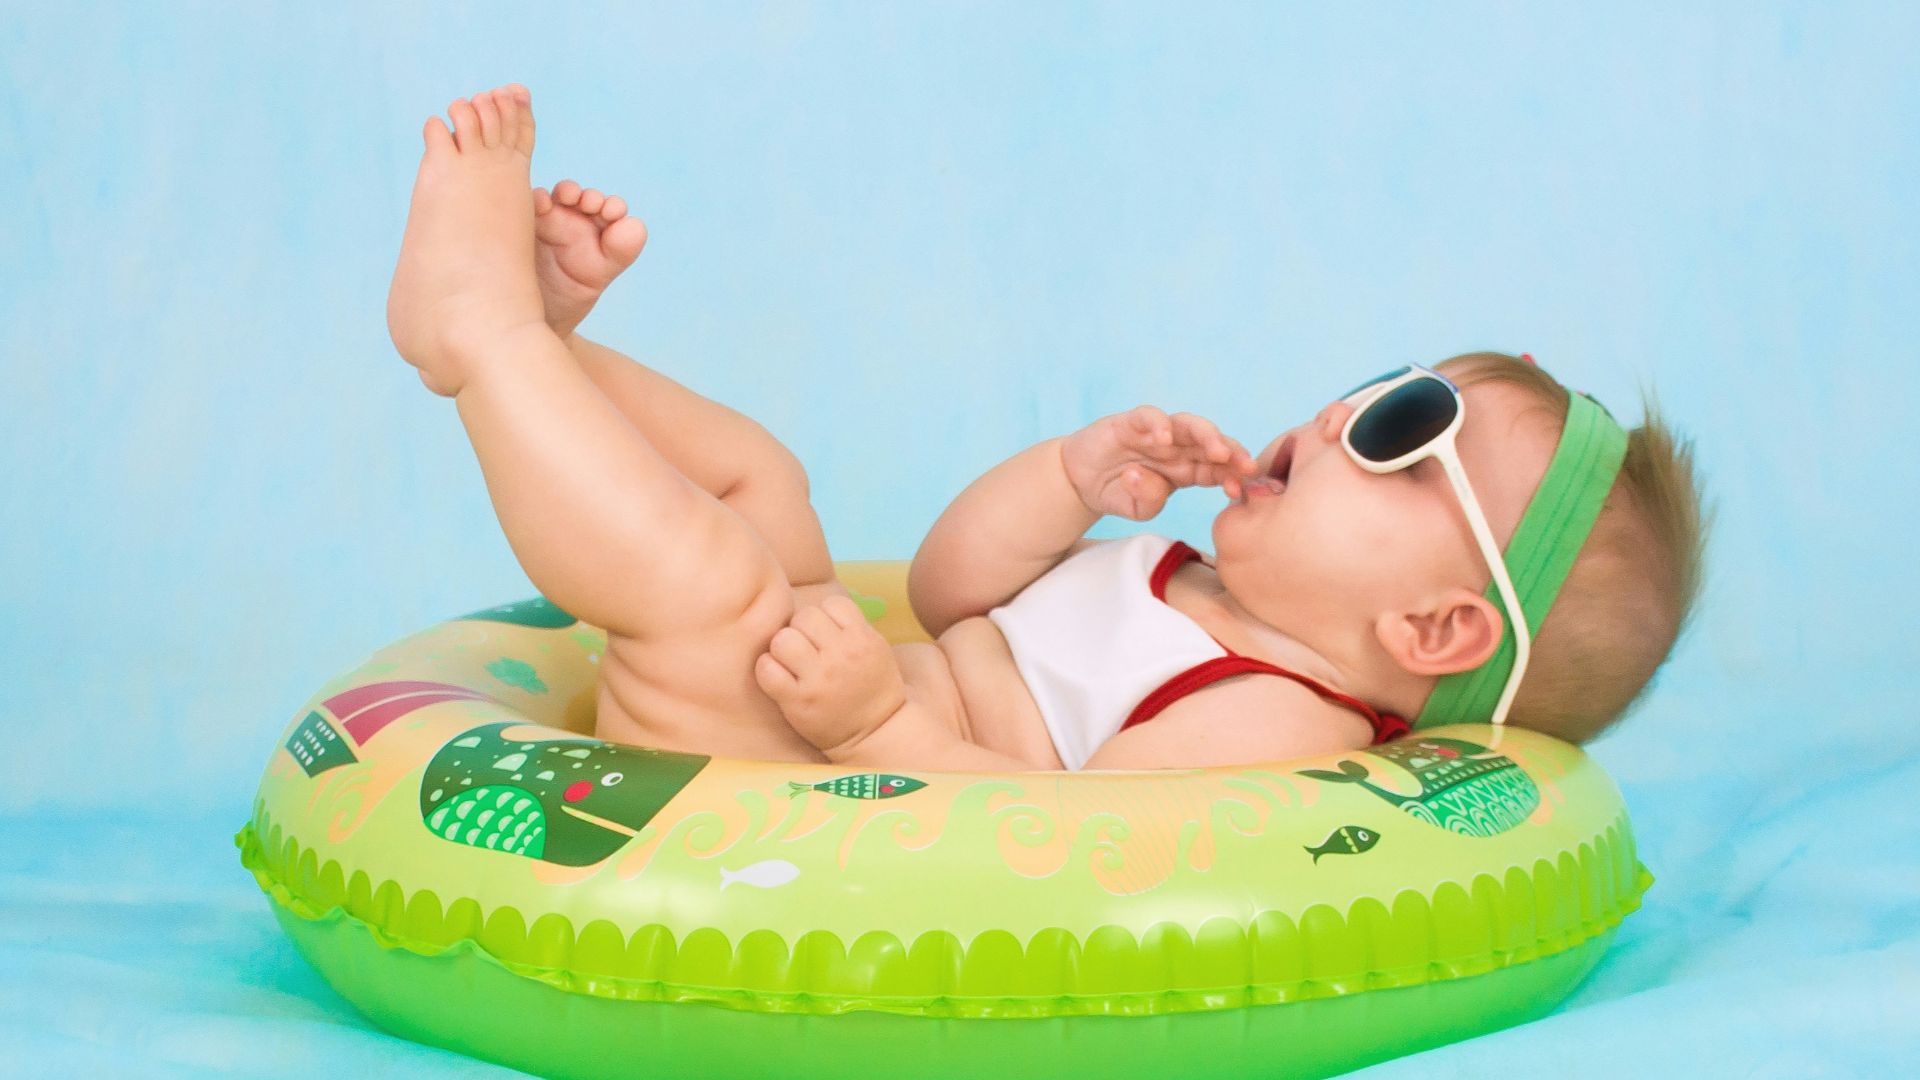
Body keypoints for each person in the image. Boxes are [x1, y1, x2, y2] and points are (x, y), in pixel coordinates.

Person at [386, 84, 1709, 773]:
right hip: (834, 692)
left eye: (1399, 432)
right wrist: (1072, 479)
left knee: (713, 582)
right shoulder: (1181, 582)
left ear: (1433, 630)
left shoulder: (1272, 722)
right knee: (763, 481)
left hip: (789, 763)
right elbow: (952, 590)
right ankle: (551, 340)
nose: (1342, 408)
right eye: (1381, 381)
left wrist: (868, 734)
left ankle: (481, 338)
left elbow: (1061, 845)